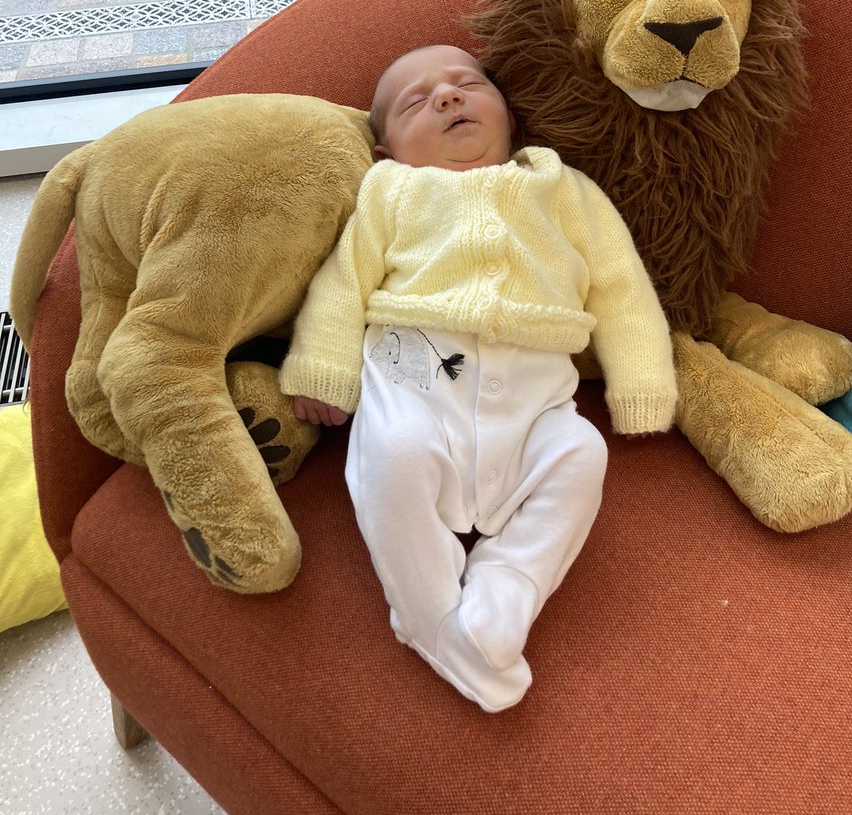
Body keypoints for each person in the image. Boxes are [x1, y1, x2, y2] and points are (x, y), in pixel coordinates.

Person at [280, 45, 677, 711]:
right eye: (417, 101)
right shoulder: (391, 190)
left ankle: (506, 586)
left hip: (535, 390)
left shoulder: (565, 188)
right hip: (415, 364)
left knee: (581, 455)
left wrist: (642, 384)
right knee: (394, 455)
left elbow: (620, 287)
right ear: (386, 151)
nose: (447, 97)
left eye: (467, 85)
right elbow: (343, 280)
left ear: (510, 117)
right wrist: (323, 367)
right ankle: (429, 612)